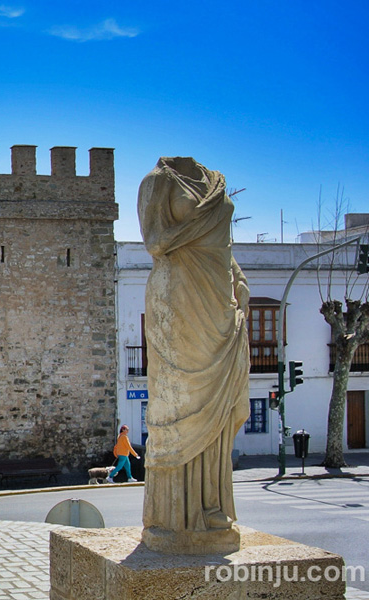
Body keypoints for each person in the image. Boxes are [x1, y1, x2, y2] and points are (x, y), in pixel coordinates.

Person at [138, 157, 250, 554]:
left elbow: (223, 243)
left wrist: (237, 277)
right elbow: (155, 242)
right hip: (179, 294)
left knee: (218, 407)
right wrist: (200, 229)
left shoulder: (215, 180)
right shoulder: (158, 180)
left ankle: (212, 507)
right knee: (179, 402)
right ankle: (175, 515)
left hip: (217, 295)